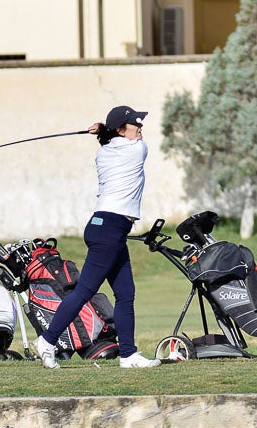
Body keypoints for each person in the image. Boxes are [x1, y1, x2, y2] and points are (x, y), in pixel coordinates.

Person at [32, 105, 161, 370]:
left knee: (126, 294)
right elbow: (126, 140)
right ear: (120, 130)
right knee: (83, 292)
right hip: (109, 230)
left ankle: (128, 355)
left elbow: (109, 139)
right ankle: (47, 341)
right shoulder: (137, 150)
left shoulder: (104, 151)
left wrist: (102, 132)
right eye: (135, 124)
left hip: (107, 227)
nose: (140, 129)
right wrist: (102, 130)